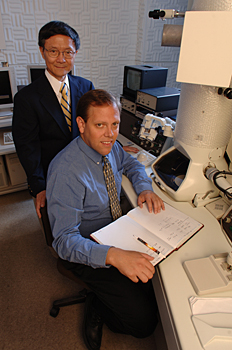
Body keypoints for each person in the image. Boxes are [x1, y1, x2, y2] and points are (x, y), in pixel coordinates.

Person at [46, 89, 165, 350]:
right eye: (100, 125)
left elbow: (132, 165)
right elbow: (64, 242)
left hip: (117, 231)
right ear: (81, 125)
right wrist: (114, 256)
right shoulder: (66, 170)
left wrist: (145, 188)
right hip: (87, 246)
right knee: (144, 324)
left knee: (155, 283)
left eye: (114, 125)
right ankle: (97, 304)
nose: (110, 134)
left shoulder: (111, 147)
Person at [12, 21, 94, 218]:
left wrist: (114, 146)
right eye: (53, 51)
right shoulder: (26, 98)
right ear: (42, 51)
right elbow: (26, 146)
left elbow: (93, 127)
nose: (61, 59)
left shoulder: (86, 86)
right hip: (51, 175)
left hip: (84, 169)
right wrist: (39, 185)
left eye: (68, 52)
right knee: (57, 226)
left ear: (75, 53)